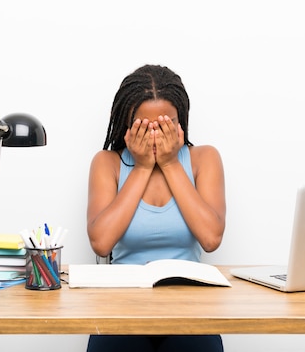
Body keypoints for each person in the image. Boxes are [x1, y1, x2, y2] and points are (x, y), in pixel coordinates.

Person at [86, 64, 226, 352]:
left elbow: (211, 238)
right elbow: (101, 242)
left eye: (165, 125)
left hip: (189, 307)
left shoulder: (204, 159)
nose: (155, 136)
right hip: (122, 305)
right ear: (127, 124)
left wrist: (171, 164)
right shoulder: (107, 163)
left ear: (180, 122)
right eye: (144, 127)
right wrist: (141, 168)